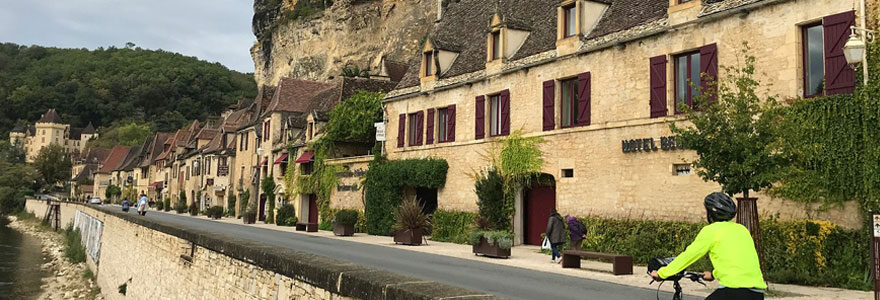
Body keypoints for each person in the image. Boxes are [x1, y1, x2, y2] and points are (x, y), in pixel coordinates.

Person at [650, 192, 767, 300]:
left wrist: (662, 273)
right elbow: (740, 261)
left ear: (710, 214)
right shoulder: (742, 229)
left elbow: (689, 256)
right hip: (757, 294)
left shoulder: (711, 231)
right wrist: (713, 274)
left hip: (733, 292)